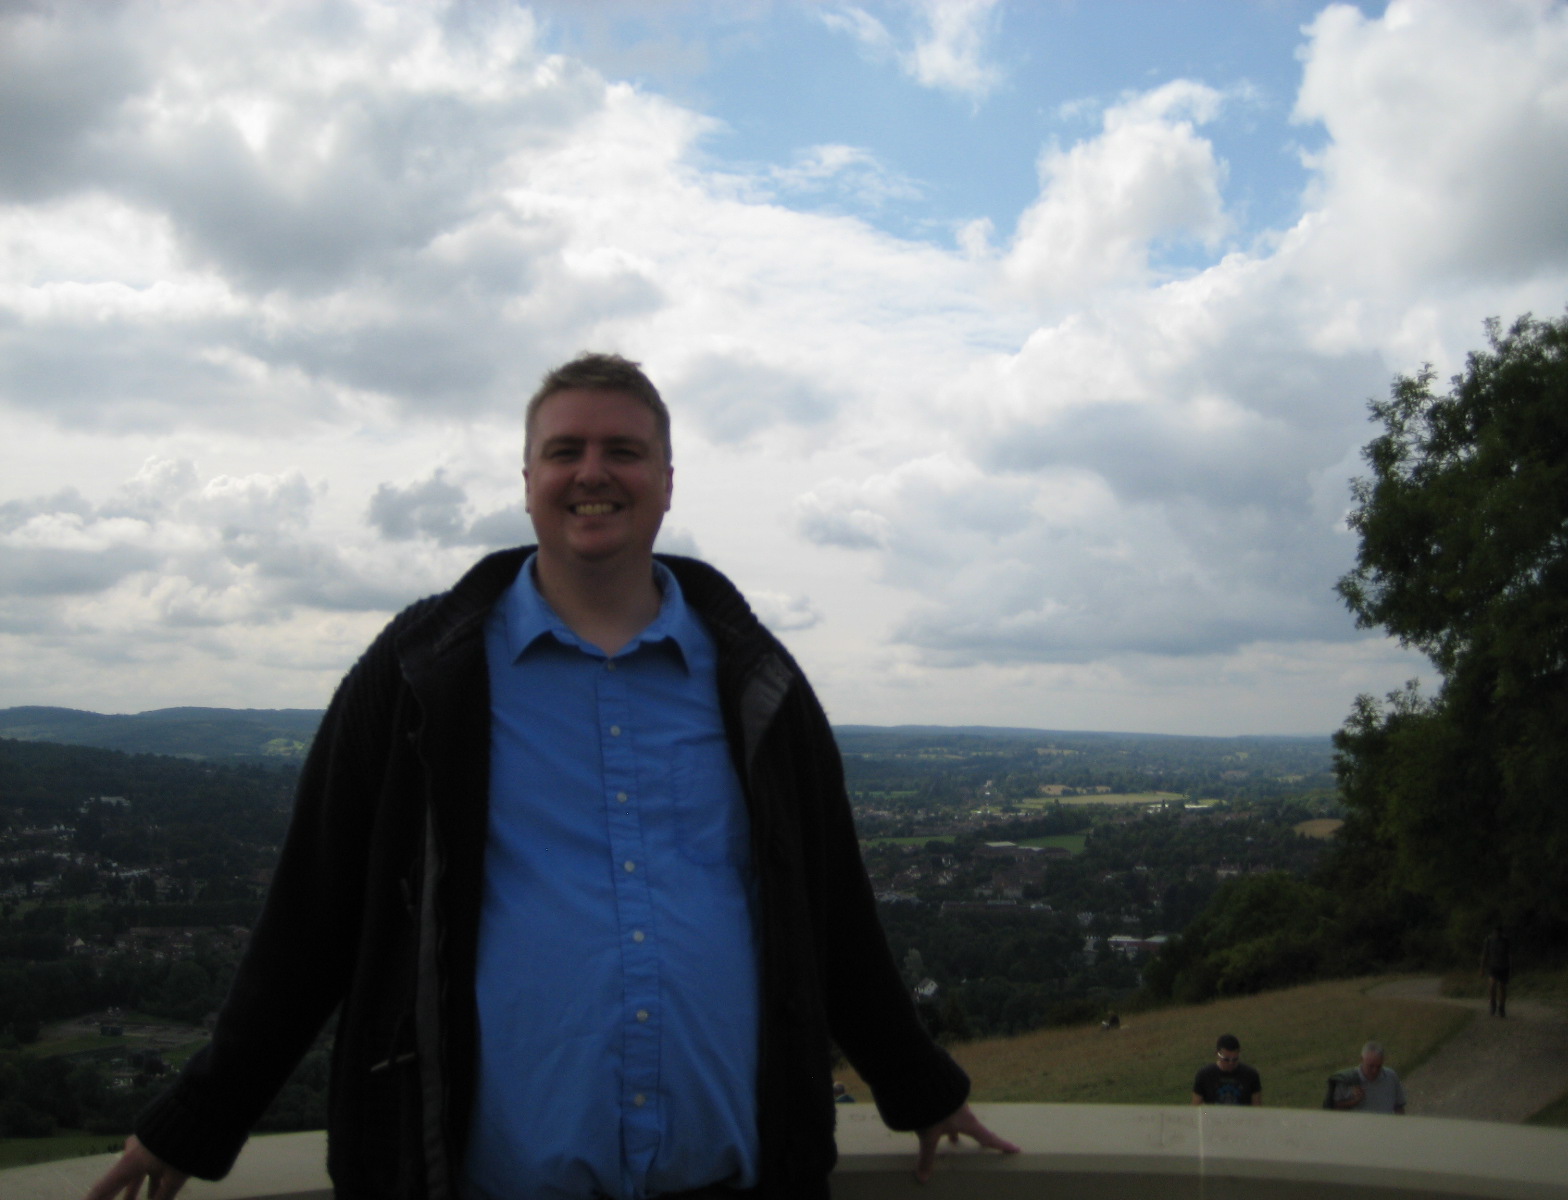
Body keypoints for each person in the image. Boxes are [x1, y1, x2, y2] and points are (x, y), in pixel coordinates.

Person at [85, 354, 1017, 1200]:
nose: (592, 473)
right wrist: (199, 1116)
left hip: (732, 1180)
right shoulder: (420, 671)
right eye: (564, 451)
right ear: (528, 481)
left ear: (667, 481)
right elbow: (312, 912)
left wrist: (917, 1085)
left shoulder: (754, 677)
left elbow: (831, 906)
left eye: (624, 451)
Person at [1328, 1041, 1407, 1114]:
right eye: (1371, 1066)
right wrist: (1354, 1101)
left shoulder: (1391, 1076)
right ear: (1361, 1060)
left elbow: (1399, 1107)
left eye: (1378, 1066)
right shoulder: (1345, 1080)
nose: (1374, 1071)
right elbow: (1333, 1110)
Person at [1191, 1033, 1263, 1106]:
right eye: (1226, 1059)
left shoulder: (1251, 1075)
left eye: (1234, 1059)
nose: (1230, 1063)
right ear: (1217, 1054)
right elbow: (1196, 1106)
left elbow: (1256, 1106)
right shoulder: (1204, 1075)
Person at [1481, 923, 1512, 1017]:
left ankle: (1502, 1007)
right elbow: (1485, 954)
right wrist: (1482, 968)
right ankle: (1493, 1004)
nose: (1497, 934)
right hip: (1493, 966)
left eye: (1498, 932)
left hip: (1504, 966)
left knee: (1502, 988)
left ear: (1501, 932)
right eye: (1495, 932)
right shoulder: (1489, 940)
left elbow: (1510, 954)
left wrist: (1511, 967)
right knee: (1492, 985)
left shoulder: (1506, 941)